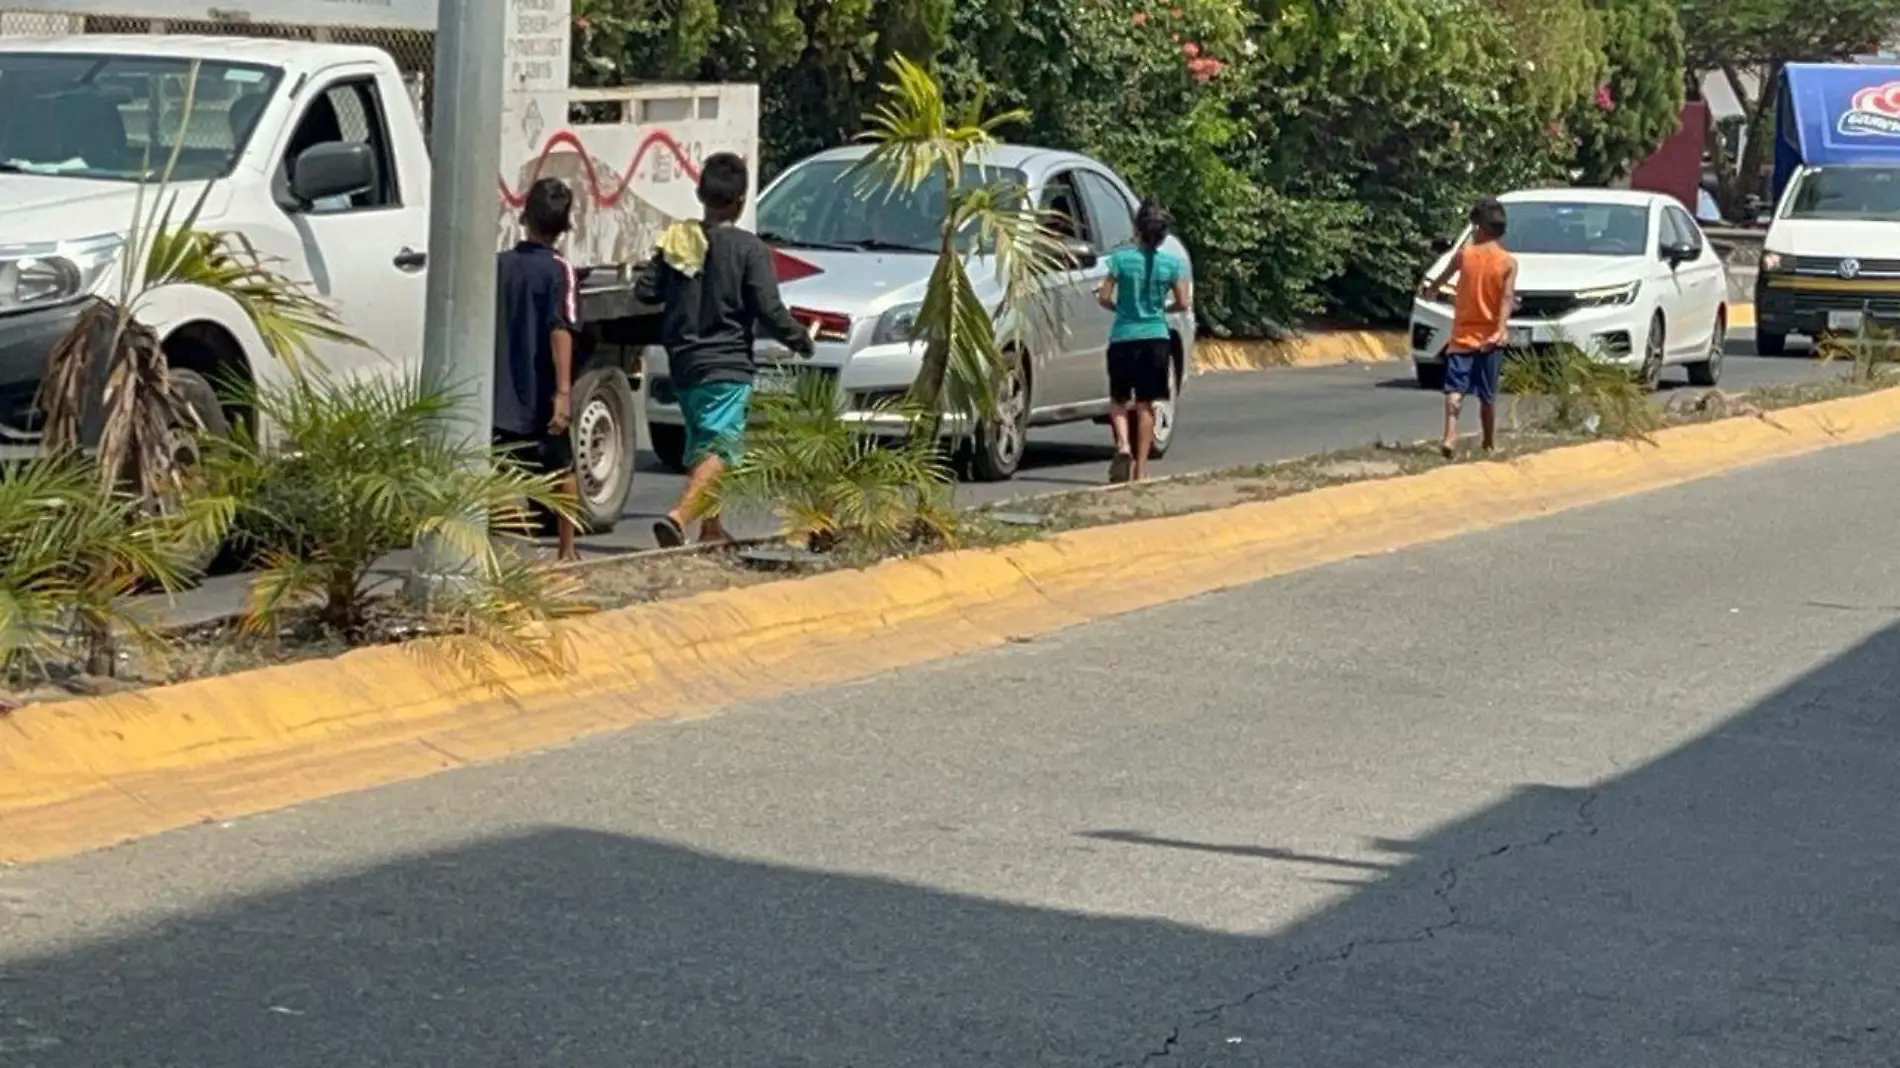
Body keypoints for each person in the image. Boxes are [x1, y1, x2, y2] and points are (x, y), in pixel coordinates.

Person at [637, 152, 813, 547]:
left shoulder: (679, 241)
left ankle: (712, 529)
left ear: (700, 194)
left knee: (704, 444)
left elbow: (645, 291)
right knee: (723, 449)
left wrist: (666, 265)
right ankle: (679, 518)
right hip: (727, 365)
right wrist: (800, 339)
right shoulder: (750, 250)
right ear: (741, 200)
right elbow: (768, 308)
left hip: (684, 363)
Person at [494, 176, 581, 562]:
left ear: (522, 217)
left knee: (494, 472)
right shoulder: (560, 271)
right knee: (563, 472)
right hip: (539, 393)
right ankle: (567, 551)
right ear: (564, 227)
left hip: (498, 391)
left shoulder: (498, 266)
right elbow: (560, 329)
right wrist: (563, 393)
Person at [1095, 199, 1190, 483]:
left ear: (1137, 228)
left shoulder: (1120, 260)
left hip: (1124, 336)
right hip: (1156, 338)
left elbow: (1103, 296)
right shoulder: (1172, 265)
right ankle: (1141, 470)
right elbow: (1183, 302)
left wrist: (1118, 308)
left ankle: (1123, 444)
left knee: (1119, 401)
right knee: (1147, 405)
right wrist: (1162, 310)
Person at [1426, 196, 1517, 458]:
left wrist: (1432, 291)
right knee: (1487, 396)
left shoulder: (1464, 256)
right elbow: (1507, 298)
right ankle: (1488, 442)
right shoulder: (1508, 262)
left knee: (1455, 391)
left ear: (1478, 228)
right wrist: (1501, 329)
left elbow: (1440, 281)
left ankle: (1450, 436)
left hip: (1462, 336)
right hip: (1490, 338)